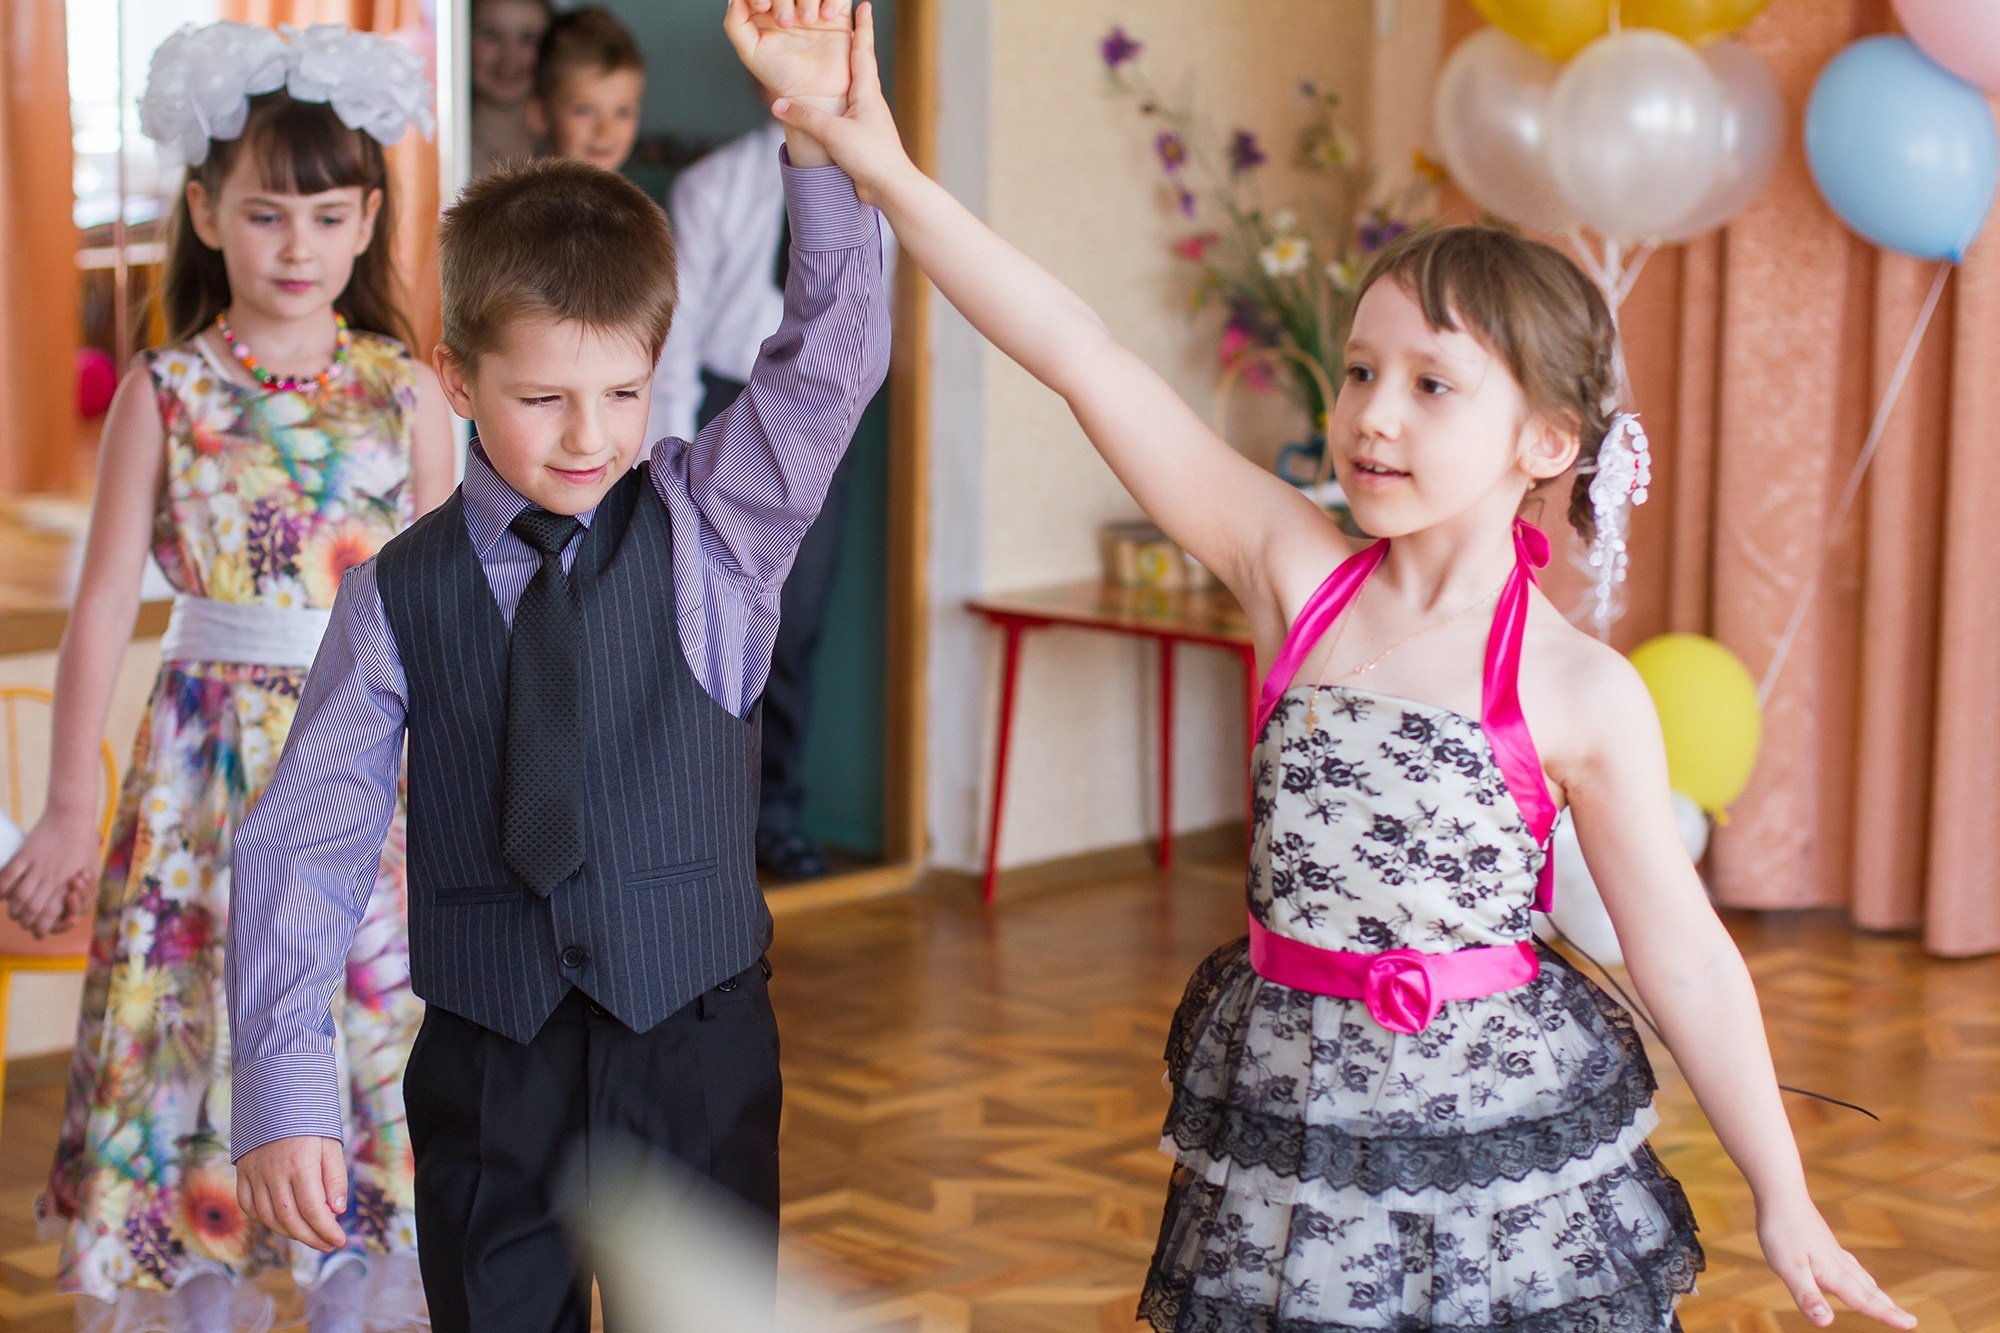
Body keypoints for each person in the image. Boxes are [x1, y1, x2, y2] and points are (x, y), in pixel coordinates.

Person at [771, 12, 1918, 1330]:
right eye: (1364, 370)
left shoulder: (1581, 688)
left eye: (1435, 386)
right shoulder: (1294, 576)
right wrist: (883, 167)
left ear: (1543, 439)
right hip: (1297, 1135)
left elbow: (1689, 961)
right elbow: (1083, 354)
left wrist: (1784, 1192)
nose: (1373, 412)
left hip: (1493, 1158)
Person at [223, 1, 888, 1329]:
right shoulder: (394, 596)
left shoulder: (721, 528)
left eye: (625, 395)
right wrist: (285, 1083)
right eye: (542, 399)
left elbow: (834, 355)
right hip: (487, 1065)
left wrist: (818, 140)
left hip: (692, 1052)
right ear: (455, 378)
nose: (591, 438)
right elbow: (303, 845)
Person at [0, 21, 451, 1333]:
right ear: (206, 213)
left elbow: (452, 611)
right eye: (265, 213)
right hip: (202, 781)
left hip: (372, 774)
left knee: (364, 1020)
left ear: (368, 220)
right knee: (195, 1023)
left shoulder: (410, 395)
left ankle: (360, 1284)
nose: (297, 245)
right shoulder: (166, 390)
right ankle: (197, 1287)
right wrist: (70, 812)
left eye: (325, 213)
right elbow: (99, 609)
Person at [650, 88, 897, 879]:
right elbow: (675, 334)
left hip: (821, 418)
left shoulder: (872, 188)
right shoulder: (713, 185)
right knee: (699, 621)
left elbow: (864, 322)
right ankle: (693, 820)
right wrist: (670, 455)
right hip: (724, 406)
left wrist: (837, 428)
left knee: (793, 625)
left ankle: (775, 816)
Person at [526, 6, 646, 174]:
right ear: (539, 114)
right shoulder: (524, 198)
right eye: (584, 110)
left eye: (623, 112)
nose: (605, 130)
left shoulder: (625, 199)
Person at [469, 0, 552, 177]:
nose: (509, 56)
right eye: (491, 35)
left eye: (528, 38)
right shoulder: (439, 150)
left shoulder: (563, 149)